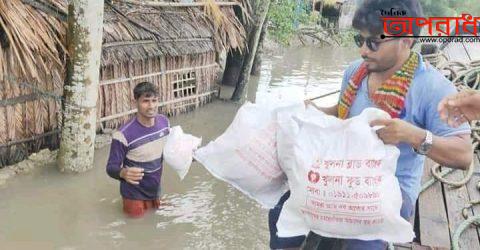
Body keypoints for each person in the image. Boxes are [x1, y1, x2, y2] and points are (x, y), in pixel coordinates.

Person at [269, 0, 473, 249]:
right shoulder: (356, 72)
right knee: (281, 215)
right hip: (344, 174)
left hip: (391, 189)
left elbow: (463, 155)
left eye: (373, 42)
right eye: (360, 40)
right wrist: (310, 113)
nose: (363, 50)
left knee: (361, 242)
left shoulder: (433, 87)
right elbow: (342, 115)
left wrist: (412, 135)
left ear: (406, 40)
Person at [106, 82, 170, 218]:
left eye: (154, 100)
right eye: (146, 101)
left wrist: (187, 156)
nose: (151, 106)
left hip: (155, 189)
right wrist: (123, 173)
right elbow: (111, 167)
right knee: (134, 231)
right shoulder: (123, 135)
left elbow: (169, 152)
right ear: (135, 102)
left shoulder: (164, 123)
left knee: (156, 225)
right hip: (133, 195)